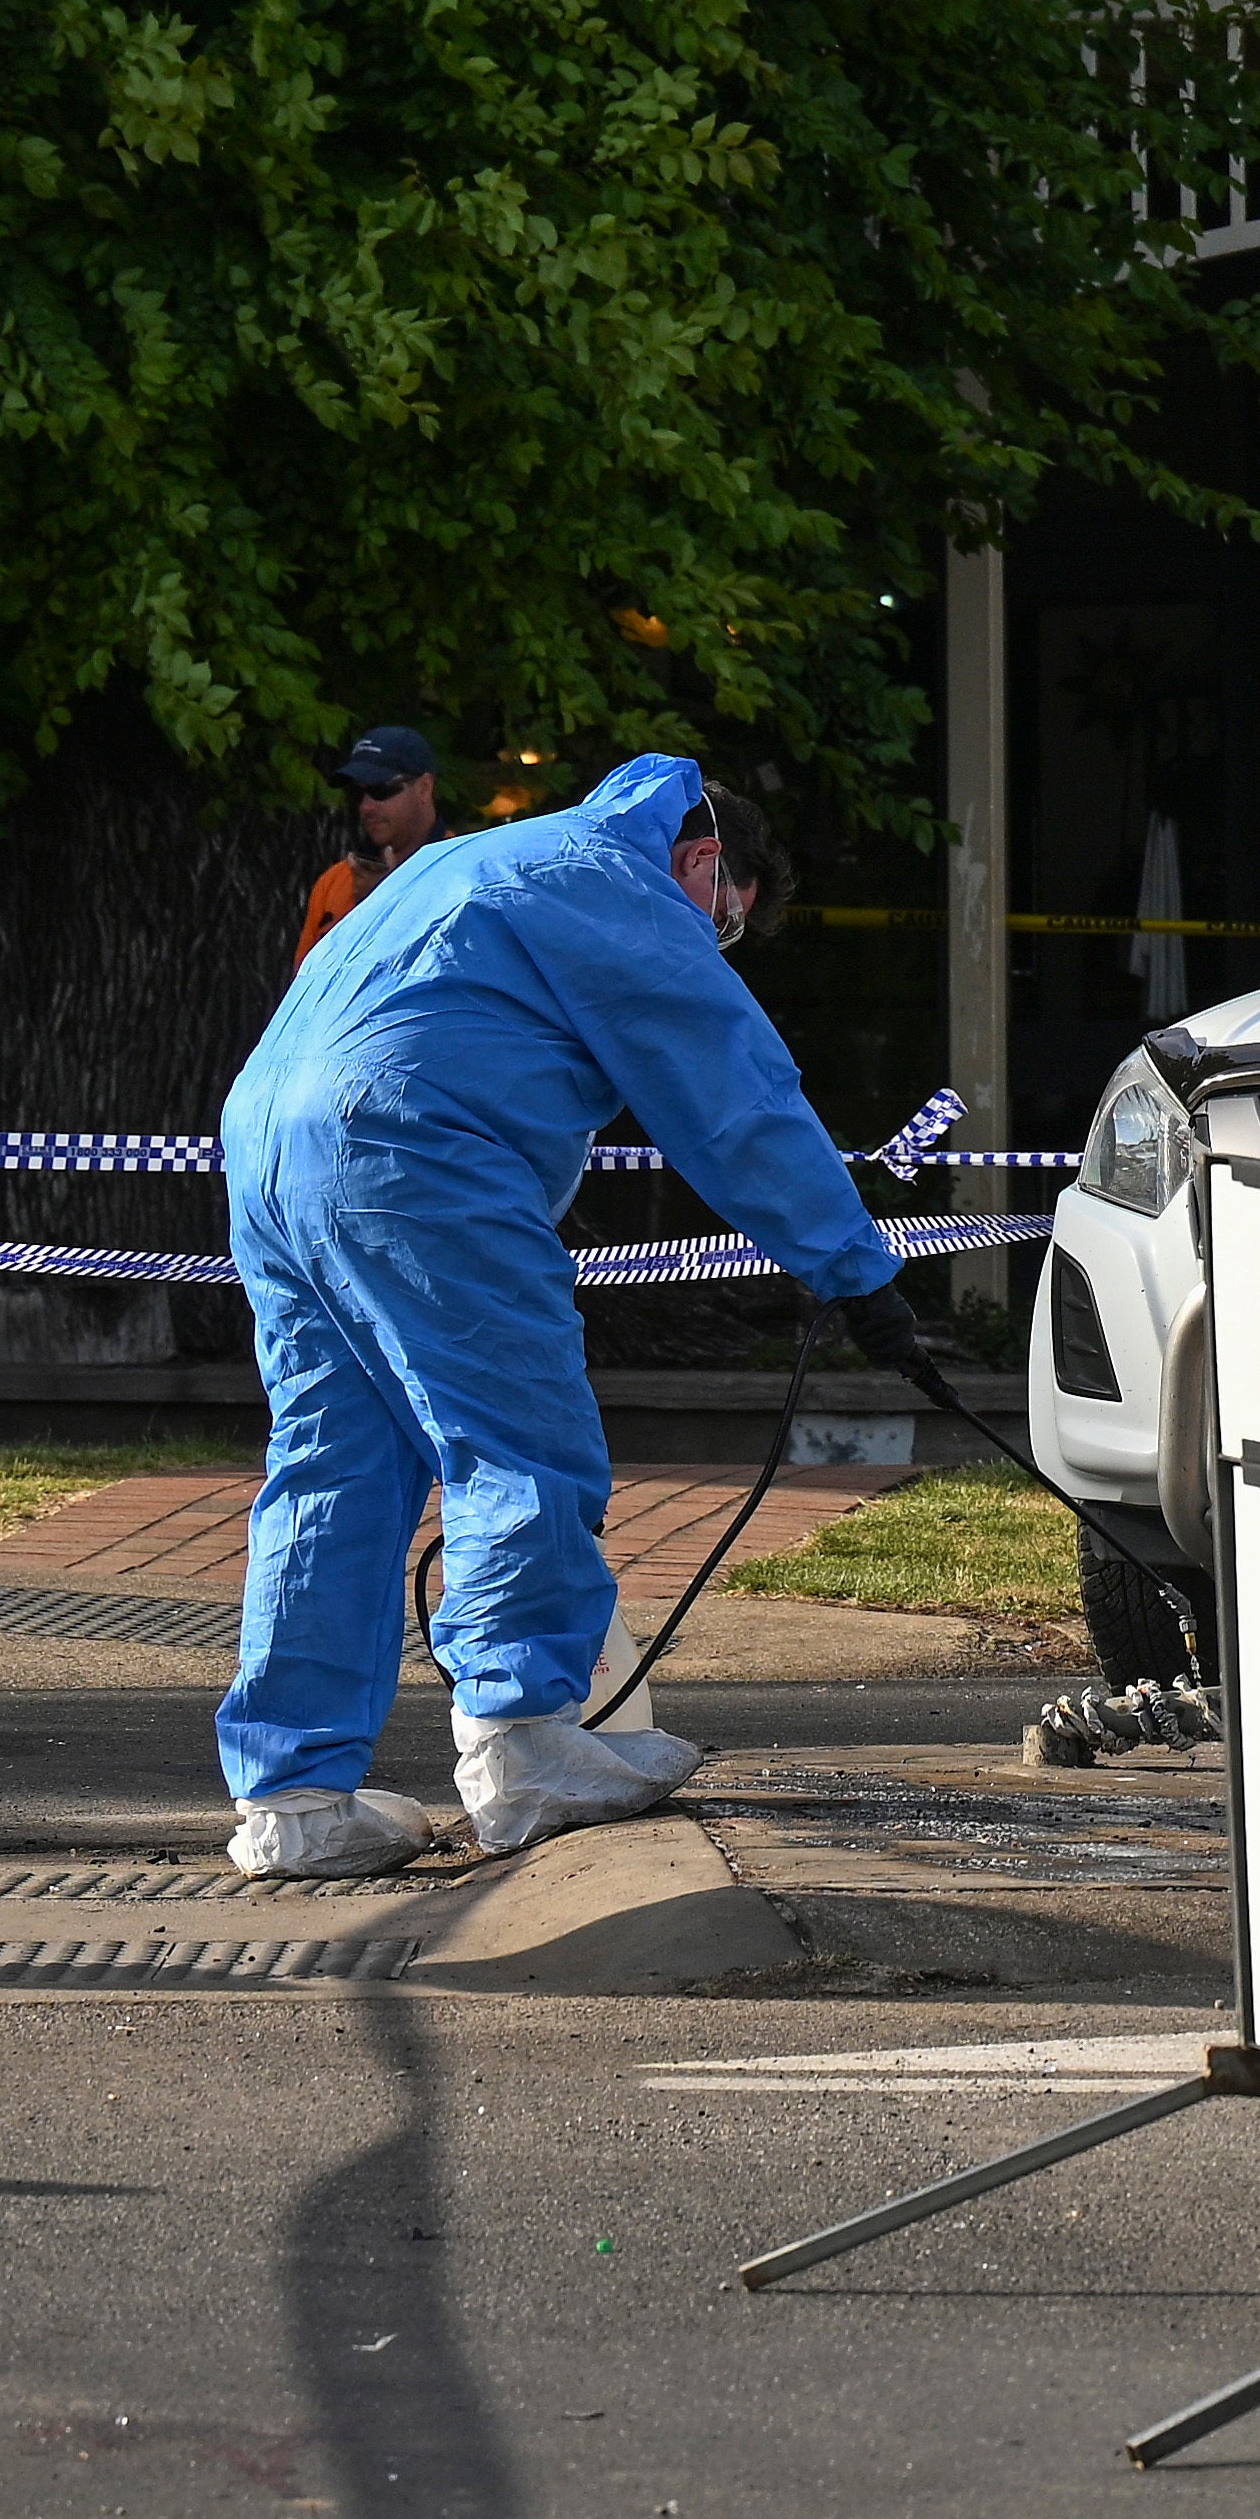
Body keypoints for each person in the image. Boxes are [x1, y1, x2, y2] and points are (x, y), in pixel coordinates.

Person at [214, 748, 909, 1881]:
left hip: (269, 1148)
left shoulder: (472, 861)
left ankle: (293, 1799)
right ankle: (526, 1749)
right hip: (414, 1148)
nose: (715, 949)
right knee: (517, 1440)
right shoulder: (618, 884)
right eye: (725, 927)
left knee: (331, 1466)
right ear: (703, 861)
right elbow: (734, 1098)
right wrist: (855, 1269)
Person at [292, 720, 442, 954]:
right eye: (357, 792)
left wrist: (387, 902)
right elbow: (304, 984)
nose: (366, 806)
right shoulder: (333, 883)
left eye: (380, 790)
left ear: (424, 788)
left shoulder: (465, 875)